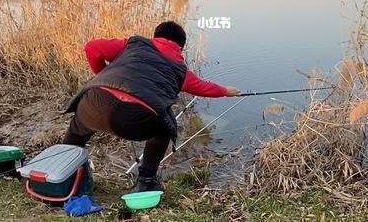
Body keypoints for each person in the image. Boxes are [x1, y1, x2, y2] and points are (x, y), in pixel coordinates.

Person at [63, 21, 239, 191]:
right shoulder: (180, 70)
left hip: (94, 103)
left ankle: (61, 174)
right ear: (181, 47)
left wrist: (101, 74)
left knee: (77, 130)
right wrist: (226, 91)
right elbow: (202, 87)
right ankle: (147, 181)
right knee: (165, 128)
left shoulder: (132, 45)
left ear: (154, 37)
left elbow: (92, 47)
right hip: (134, 120)